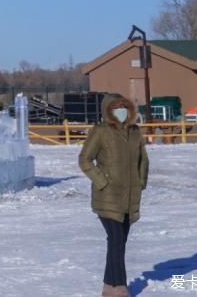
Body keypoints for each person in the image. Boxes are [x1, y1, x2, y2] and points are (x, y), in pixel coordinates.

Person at [78, 93, 149, 297]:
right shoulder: (100, 132)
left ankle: (109, 286)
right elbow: (85, 159)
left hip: (128, 198)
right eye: (116, 107)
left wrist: (140, 182)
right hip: (107, 197)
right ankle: (120, 288)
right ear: (108, 110)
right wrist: (102, 181)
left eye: (124, 107)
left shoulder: (135, 132)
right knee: (117, 239)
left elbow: (143, 160)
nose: (121, 111)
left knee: (119, 241)